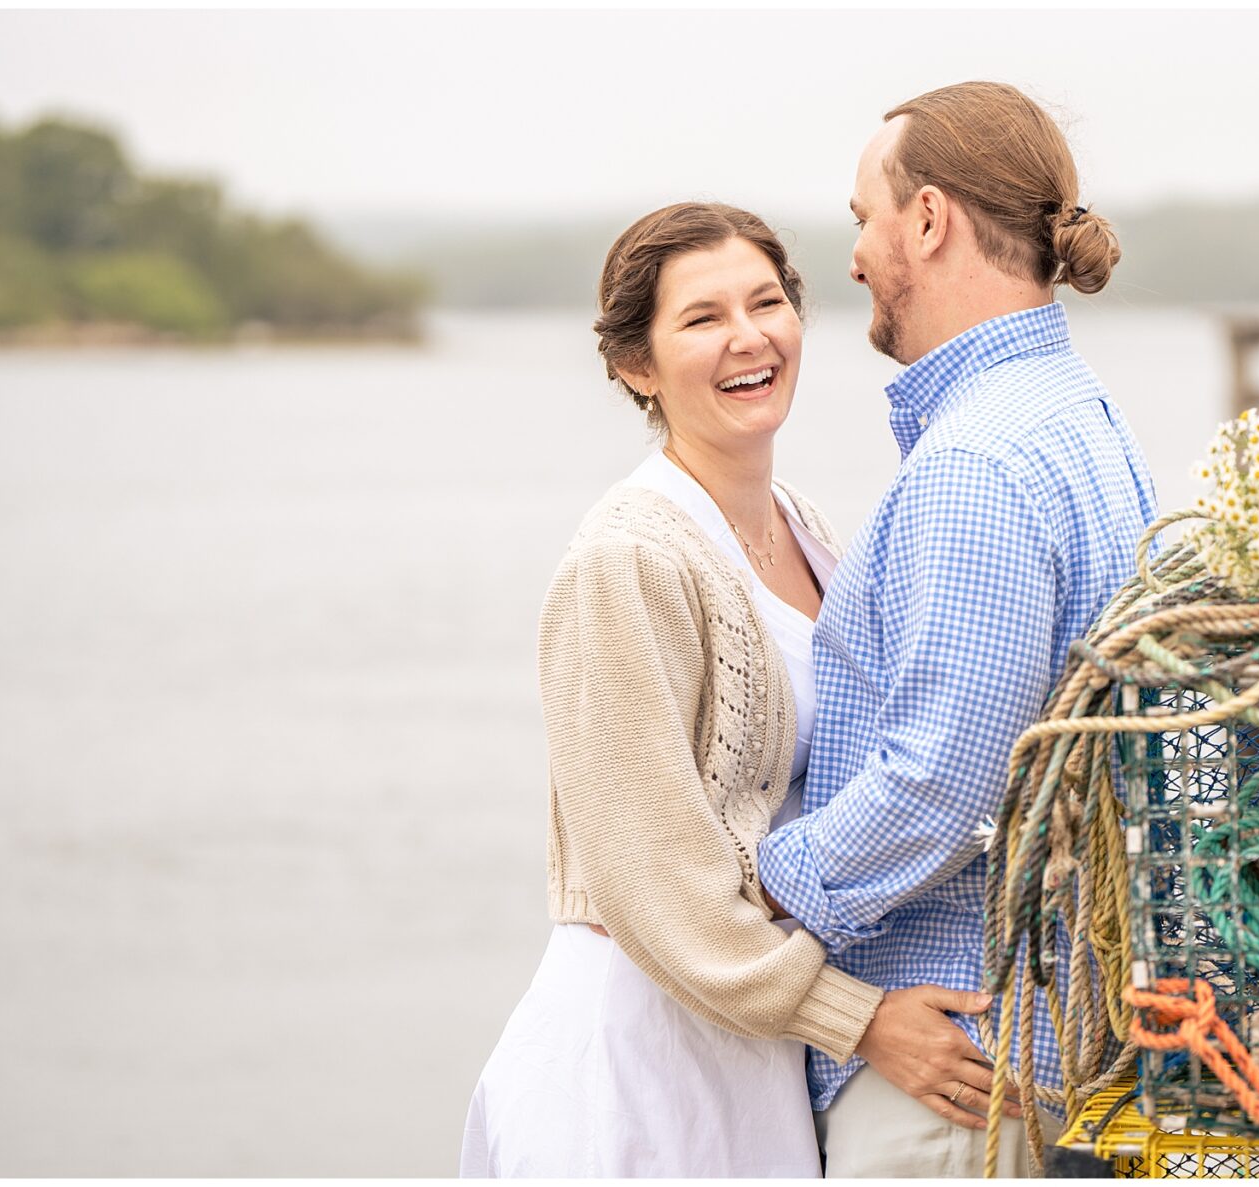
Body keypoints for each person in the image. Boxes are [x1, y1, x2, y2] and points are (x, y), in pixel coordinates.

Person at [461, 203, 994, 1177]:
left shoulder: (805, 524)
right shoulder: (626, 559)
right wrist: (860, 1018)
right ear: (635, 364)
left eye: (766, 302)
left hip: (755, 1041)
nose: (749, 337)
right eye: (703, 319)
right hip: (640, 1050)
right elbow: (653, 879)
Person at [753, 81, 1160, 1177]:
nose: (850, 260)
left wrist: (757, 885)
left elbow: (944, 778)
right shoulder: (1080, 414)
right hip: (1039, 1041)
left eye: (859, 220)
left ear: (925, 221)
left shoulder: (975, 462)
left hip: (954, 1068)